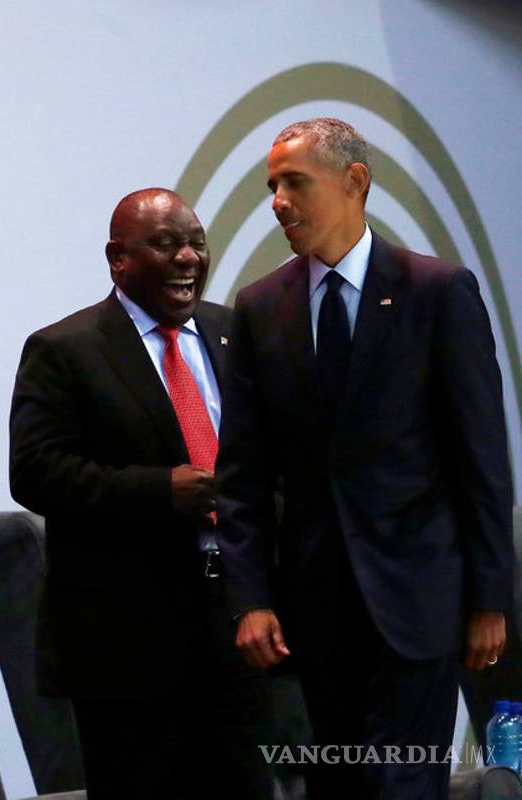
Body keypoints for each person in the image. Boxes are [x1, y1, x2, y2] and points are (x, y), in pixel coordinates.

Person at [216, 117, 514, 798]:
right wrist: (251, 599)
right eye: (271, 186)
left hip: (422, 603)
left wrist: (490, 598)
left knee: (405, 785)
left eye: (295, 182)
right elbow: (244, 475)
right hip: (316, 614)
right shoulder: (261, 308)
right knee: (345, 787)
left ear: (355, 182)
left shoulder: (438, 292)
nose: (278, 201)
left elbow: (482, 459)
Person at [10, 187, 274, 798]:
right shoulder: (65, 350)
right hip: (127, 647)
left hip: (238, 627)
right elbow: (36, 472)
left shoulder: (233, 333)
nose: (187, 257)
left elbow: (272, 457)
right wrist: (159, 491)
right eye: (165, 243)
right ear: (117, 257)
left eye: (196, 244)